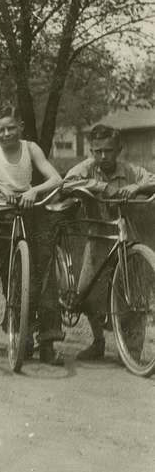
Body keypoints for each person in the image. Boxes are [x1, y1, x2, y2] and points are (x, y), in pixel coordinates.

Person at [0, 104, 65, 365]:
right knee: (16, 276)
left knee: (44, 271)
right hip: (3, 216)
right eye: (0, 129)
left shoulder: (31, 148)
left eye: (11, 128)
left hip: (30, 212)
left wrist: (34, 191)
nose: (6, 134)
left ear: (20, 126)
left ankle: (48, 340)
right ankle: (22, 336)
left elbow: (55, 178)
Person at [63, 124, 155, 360]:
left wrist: (137, 187)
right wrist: (102, 187)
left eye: (109, 151)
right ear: (92, 151)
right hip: (99, 237)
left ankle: (132, 352)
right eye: (98, 151)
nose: (103, 156)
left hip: (127, 238)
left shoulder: (130, 170)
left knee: (134, 293)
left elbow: (152, 179)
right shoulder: (87, 168)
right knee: (88, 291)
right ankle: (98, 342)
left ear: (119, 150)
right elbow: (67, 182)